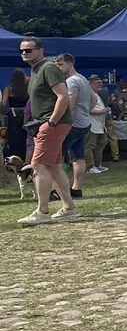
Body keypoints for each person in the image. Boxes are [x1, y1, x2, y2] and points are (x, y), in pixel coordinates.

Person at [18, 36, 79, 225]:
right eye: (22, 50)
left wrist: (51, 122)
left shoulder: (48, 68)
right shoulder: (36, 69)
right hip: (48, 123)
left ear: (40, 51)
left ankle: (42, 212)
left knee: (38, 165)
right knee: (53, 166)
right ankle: (69, 207)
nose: (24, 53)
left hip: (52, 123)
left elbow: (63, 96)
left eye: (28, 50)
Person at [54, 53, 90, 200]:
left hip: (72, 124)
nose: (58, 68)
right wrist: (86, 111)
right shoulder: (83, 79)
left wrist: (56, 121)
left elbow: (69, 105)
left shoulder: (71, 81)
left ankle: (57, 191)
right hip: (84, 123)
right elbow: (94, 99)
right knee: (78, 157)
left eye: (60, 64)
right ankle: (77, 188)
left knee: (56, 158)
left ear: (70, 64)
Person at [2, 68, 29, 160]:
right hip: (26, 116)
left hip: (12, 117)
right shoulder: (28, 88)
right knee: (25, 138)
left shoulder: (8, 89)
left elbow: (3, 106)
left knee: (13, 139)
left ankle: (13, 158)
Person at [86, 77, 110, 172]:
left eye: (101, 82)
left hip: (100, 124)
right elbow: (87, 109)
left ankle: (97, 163)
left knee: (103, 142)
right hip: (92, 123)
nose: (100, 84)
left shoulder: (97, 94)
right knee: (89, 145)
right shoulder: (88, 94)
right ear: (91, 83)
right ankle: (90, 166)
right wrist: (101, 111)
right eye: (97, 82)